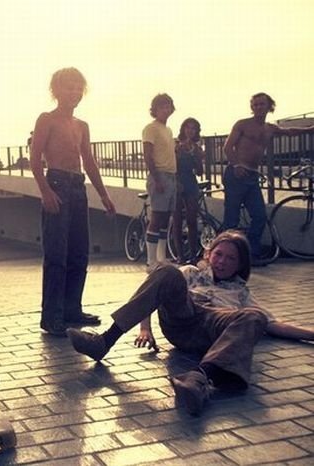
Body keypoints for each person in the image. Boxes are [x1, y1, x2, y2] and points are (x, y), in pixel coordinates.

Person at [67, 230, 314, 416]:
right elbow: (156, 291)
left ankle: (198, 379)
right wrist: (145, 328)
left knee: (255, 315)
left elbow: (275, 323)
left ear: (240, 265)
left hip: (213, 328)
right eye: (218, 254)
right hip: (182, 317)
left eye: (231, 258)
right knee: (166, 270)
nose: (222, 261)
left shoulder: (242, 292)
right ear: (208, 254)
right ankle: (104, 341)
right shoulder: (191, 273)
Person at [30, 67, 116, 336]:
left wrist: (104, 195)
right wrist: (45, 191)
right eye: (69, 87)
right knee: (57, 254)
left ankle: (72, 310)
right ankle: (52, 317)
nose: (75, 92)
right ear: (56, 90)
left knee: (79, 252)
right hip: (56, 183)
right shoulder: (47, 119)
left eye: (79, 87)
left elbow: (88, 162)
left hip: (78, 188)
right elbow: (34, 158)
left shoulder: (82, 126)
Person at [223, 93, 314, 263]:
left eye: (261, 104)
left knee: (259, 216)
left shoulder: (269, 128)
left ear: (269, 106)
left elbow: (290, 131)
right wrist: (236, 165)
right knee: (231, 219)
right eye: (255, 104)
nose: (258, 107)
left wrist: (309, 129)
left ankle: (250, 253)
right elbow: (227, 148)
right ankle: (225, 256)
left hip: (252, 177)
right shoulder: (242, 124)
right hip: (235, 175)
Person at [142, 94, 176, 272]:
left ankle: (161, 258)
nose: (166, 109)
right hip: (160, 176)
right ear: (154, 109)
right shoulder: (151, 128)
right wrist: (156, 179)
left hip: (171, 176)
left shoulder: (168, 130)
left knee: (166, 218)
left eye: (168, 106)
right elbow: (148, 155)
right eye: (162, 106)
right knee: (156, 218)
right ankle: (151, 261)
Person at [172, 118, 205, 263]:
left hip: (191, 182)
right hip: (177, 182)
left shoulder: (197, 148)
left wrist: (197, 156)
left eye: (193, 128)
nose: (190, 131)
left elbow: (199, 171)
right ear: (183, 129)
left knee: (192, 219)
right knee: (177, 219)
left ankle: (193, 254)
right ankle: (180, 255)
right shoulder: (175, 145)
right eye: (188, 127)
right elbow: (171, 166)